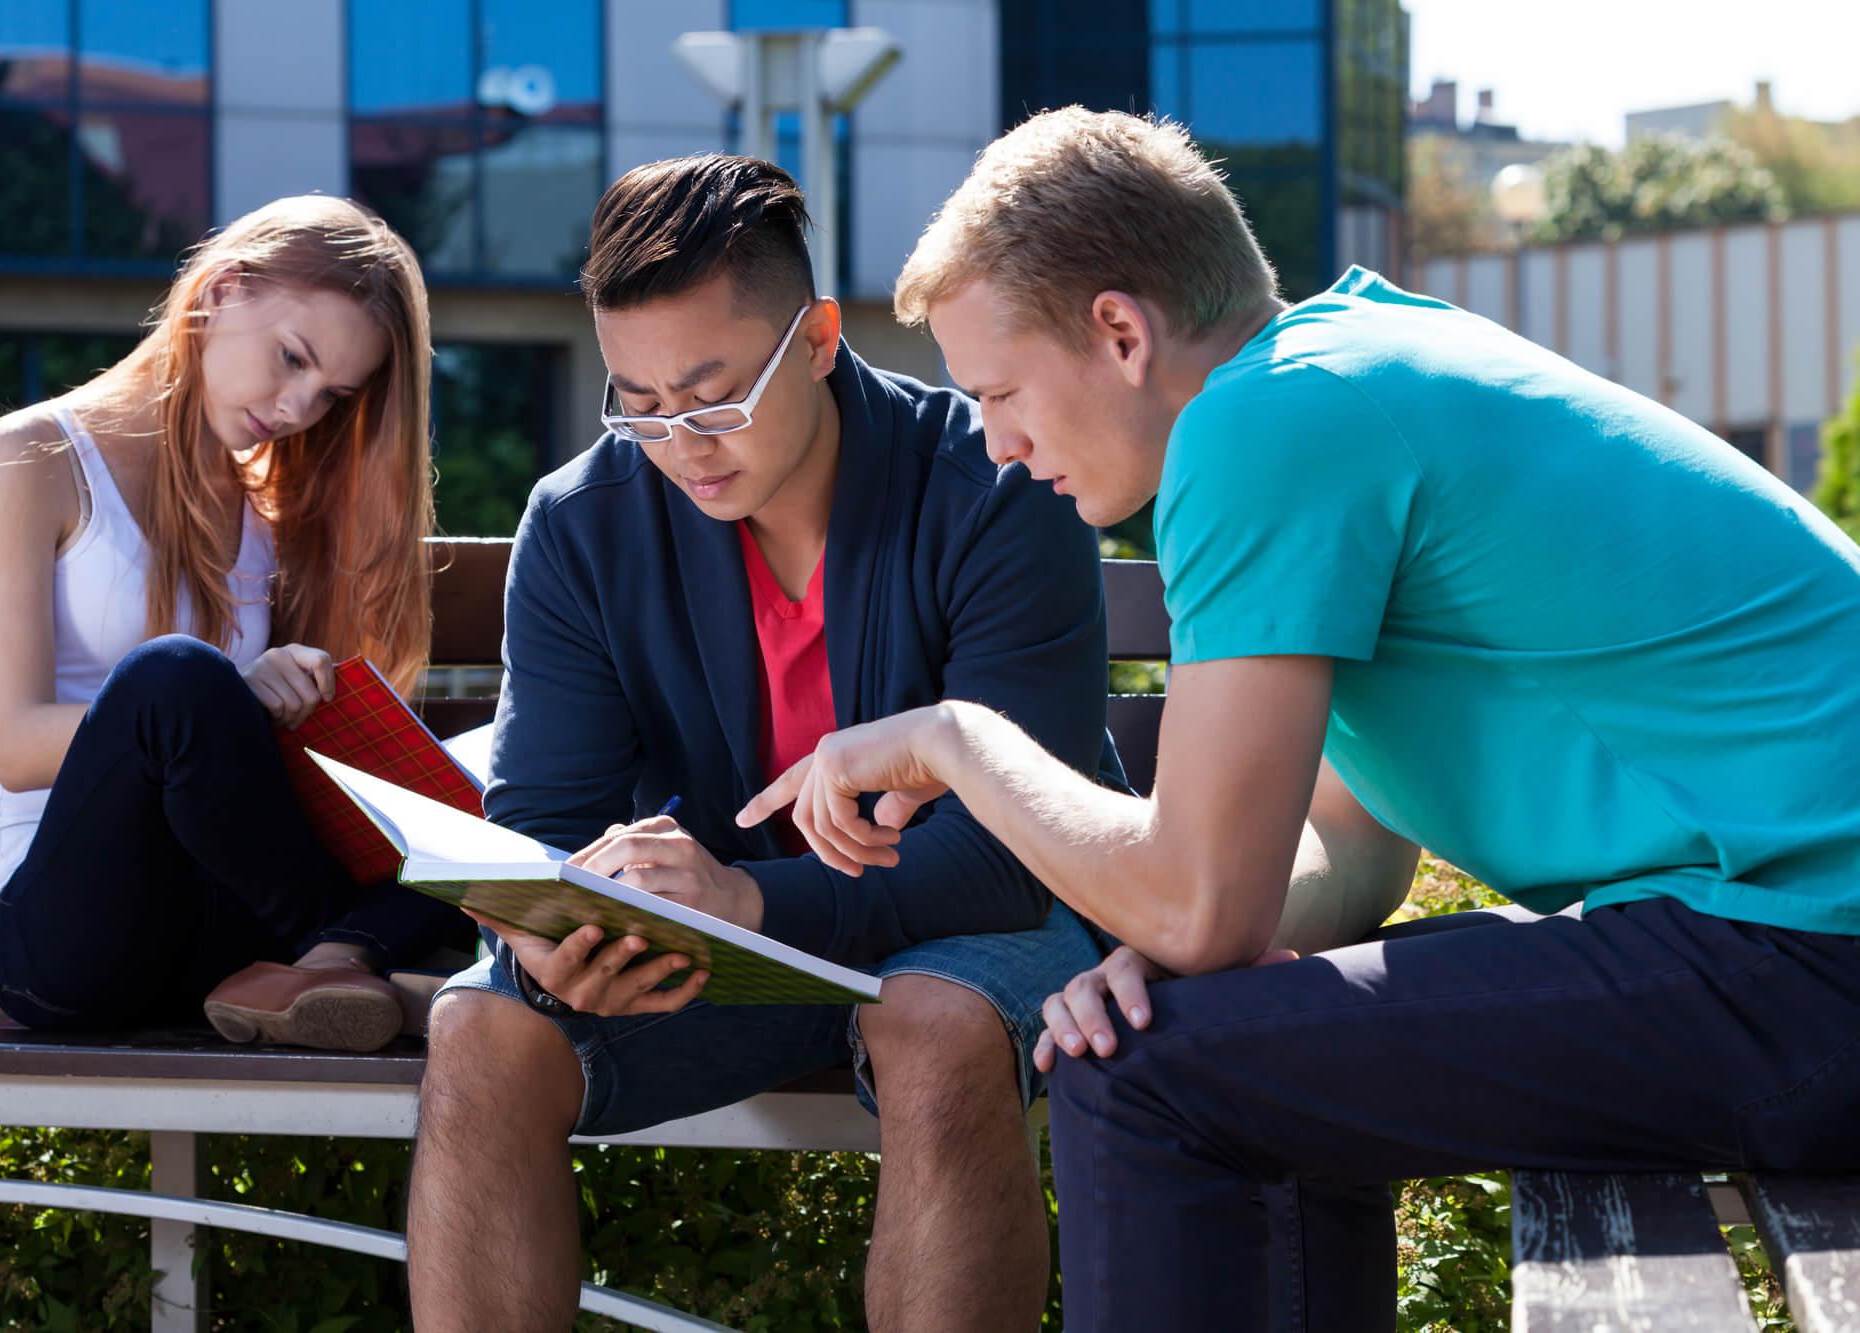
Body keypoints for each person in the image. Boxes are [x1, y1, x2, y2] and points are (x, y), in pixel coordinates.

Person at [737, 106, 1860, 1330]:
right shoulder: (1349, 366)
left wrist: (956, 738)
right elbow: (1347, 844)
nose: (998, 449)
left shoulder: (1263, 424)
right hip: (1780, 950)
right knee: (1179, 1034)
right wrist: (1170, 960)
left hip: (1808, 963)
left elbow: (1200, 904)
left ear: (1117, 330)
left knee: (1143, 1078)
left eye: (999, 391)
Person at [406, 154, 1121, 1332]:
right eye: (637, 405)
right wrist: (554, 938)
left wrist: (747, 900)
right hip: (714, 946)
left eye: (714, 394)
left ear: (821, 338)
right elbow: (537, 818)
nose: (683, 443)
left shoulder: (993, 481)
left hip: (969, 923)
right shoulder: (583, 525)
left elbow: (1008, 851)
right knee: (479, 1028)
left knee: (933, 1027)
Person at [0, 195, 465, 1054]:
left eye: (332, 393)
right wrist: (234, 697)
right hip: (60, 936)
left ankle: (335, 957)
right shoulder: (36, 455)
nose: (301, 406)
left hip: (216, 935)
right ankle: (354, 948)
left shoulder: (271, 513)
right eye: (292, 358)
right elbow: (12, 743)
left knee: (467, 834)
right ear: (223, 289)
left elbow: (252, 788)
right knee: (174, 681)